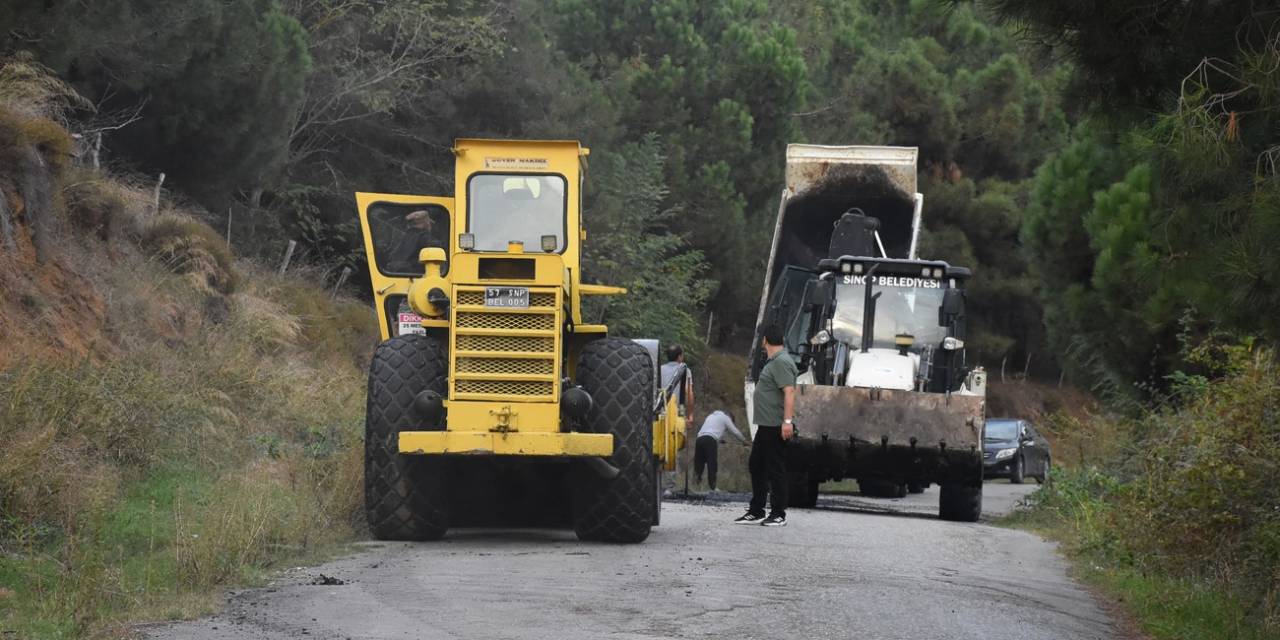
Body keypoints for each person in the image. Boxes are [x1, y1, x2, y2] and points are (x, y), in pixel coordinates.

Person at [735, 324, 797, 527]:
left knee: (775, 469)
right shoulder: (773, 362)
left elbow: (789, 392)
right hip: (765, 425)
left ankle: (778, 513)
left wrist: (787, 422)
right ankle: (757, 510)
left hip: (775, 425)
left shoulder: (782, 362)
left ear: (765, 341)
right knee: (757, 465)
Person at [692, 410, 748, 492]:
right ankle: (713, 487)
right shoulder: (726, 418)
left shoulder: (711, 416)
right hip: (710, 441)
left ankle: (695, 486)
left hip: (699, 439)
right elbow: (735, 431)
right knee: (712, 464)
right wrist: (744, 441)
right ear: (730, 418)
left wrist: (719, 440)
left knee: (699, 464)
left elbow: (710, 429)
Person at [659, 344, 695, 425]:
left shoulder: (660, 369)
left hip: (660, 413)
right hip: (678, 413)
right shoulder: (685, 370)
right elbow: (689, 393)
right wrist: (690, 415)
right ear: (679, 357)